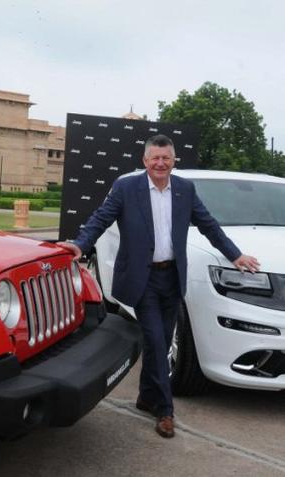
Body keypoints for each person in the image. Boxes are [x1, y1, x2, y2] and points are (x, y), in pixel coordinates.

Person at [57, 134, 259, 438]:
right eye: (155, 158)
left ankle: (145, 396)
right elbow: (100, 219)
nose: (161, 163)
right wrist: (80, 244)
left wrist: (236, 254)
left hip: (172, 276)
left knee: (161, 340)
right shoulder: (127, 188)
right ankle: (165, 410)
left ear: (174, 160)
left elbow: (209, 225)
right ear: (145, 161)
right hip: (143, 278)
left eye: (166, 158)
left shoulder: (185, 190)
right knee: (156, 340)